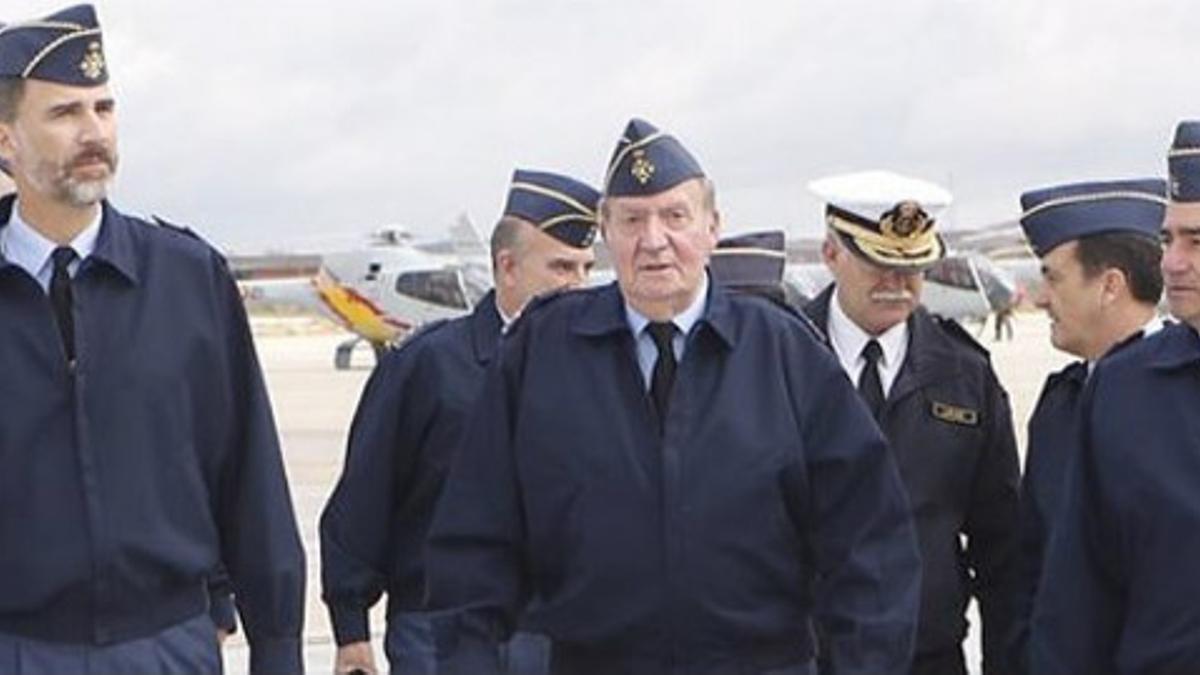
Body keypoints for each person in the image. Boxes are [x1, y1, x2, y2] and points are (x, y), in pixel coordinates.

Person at [425, 118, 922, 674]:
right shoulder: (541, 355)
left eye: (675, 216)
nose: (654, 240)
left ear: (713, 227)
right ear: (606, 232)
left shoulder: (784, 354)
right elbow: (473, 545)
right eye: (633, 220)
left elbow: (870, 548)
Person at [0, 5, 305, 673]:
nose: (94, 132)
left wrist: (278, 646)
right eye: (64, 113)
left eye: (103, 108)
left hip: (165, 646)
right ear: (5, 140)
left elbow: (250, 477)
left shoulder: (188, 279)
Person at [320, 168, 599, 674]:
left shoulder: (608, 372)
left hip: (565, 635)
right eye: (561, 268)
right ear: (507, 267)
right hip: (442, 633)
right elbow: (366, 494)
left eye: (585, 268)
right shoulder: (429, 367)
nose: (578, 285)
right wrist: (351, 626)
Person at [803, 170, 1020, 675]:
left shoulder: (965, 374)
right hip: (805, 658)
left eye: (912, 266)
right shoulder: (780, 360)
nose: (896, 284)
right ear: (831, 253)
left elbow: (1002, 545)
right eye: (878, 262)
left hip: (927, 658)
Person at [1029, 122, 1200, 673]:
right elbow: (1078, 604)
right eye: (1169, 238)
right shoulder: (1128, 392)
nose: (1171, 263)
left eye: (1198, 242)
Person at [1008, 177, 1166, 672]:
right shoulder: (1062, 403)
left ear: (1109, 286)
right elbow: (1031, 562)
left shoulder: (1179, 395)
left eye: (1053, 278)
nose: (1039, 298)